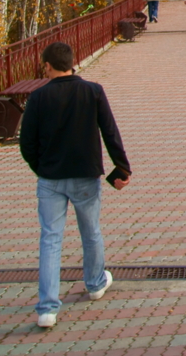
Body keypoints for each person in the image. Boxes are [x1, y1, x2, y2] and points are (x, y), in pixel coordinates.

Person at [18, 41, 131, 329]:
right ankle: (94, 284)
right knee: (90, 232)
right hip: (85, 174)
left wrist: (40, 168)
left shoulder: (38, 97)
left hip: (50, 179)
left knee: (50, 239)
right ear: (72, 62)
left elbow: (27, 142)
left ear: (47, 66)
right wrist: (121, 166)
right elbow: (109, 129)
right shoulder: (92, 91)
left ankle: (47, 308)